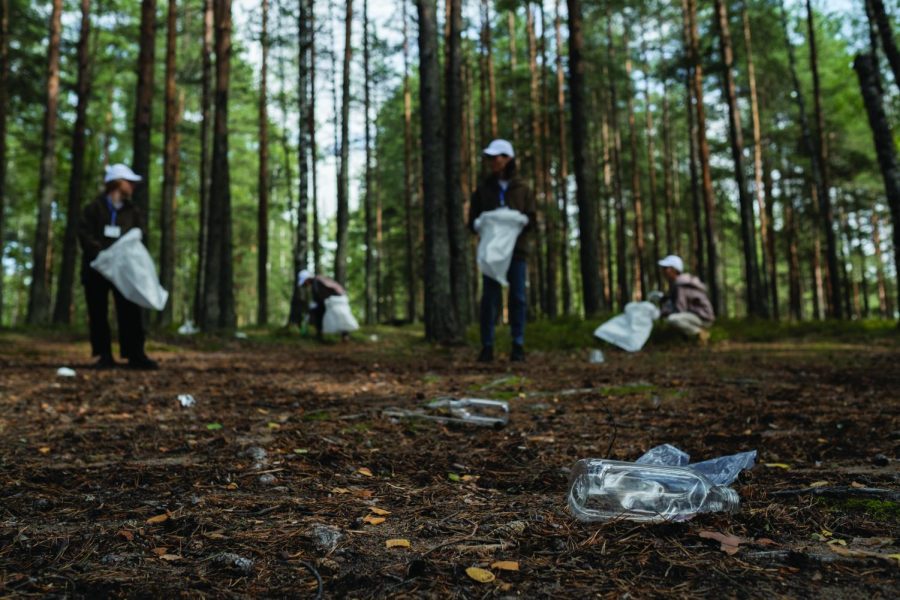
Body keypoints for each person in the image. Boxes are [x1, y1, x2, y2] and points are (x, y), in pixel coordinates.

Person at [78, 164, 158, 369]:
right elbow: (85, 235)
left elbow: (139, 236)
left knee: (130, 309)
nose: (132, 186)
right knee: (98, 312)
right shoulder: (94, 208)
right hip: (96, 269)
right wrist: (101, 254)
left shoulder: (133, 211)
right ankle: (103, 355)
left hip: (124, 270)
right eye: (128, 181)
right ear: (116, 182)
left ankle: (135, 354)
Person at [468, 139, 537, 363]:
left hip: (516, 253)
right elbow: (472, 221)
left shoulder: (523, 188)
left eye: (495, 157)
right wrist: (480, 224)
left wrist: (520, 222)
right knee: (490, 298)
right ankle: (487, 346)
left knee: (518, 297)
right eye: (489, 158)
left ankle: (518, 344)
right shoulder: (483, 189)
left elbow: (533, 220)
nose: (491, 161)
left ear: (507, 159)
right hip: (491, 254)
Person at [657, 255, 715, 342]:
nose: (664, 271)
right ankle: (689, 338)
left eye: (666, 268)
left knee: (672, 319)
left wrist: (664, 312)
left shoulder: (681, 285)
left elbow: (680, 309)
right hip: (700, 316)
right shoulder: (681, 283)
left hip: (703, 318)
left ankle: (700, 333)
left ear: (674, 270)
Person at [297, 270, 350, 341]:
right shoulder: (319, 279)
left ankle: (320, 335)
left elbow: (321, 296)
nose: (305, 285)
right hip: (339, 298)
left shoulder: (316, 283)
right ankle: (344, 335)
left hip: (334, 300)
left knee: (320, 313)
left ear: (307, 279)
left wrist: (314, 305)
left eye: (304, 282)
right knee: (339, 316)